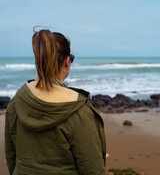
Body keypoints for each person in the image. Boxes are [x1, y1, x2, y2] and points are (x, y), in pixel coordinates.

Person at [5, 28, 106, 175]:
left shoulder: (16, 103)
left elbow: (11, 156)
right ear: (66, 61)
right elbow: (93, 169)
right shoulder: (78, 111)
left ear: (38, 61)